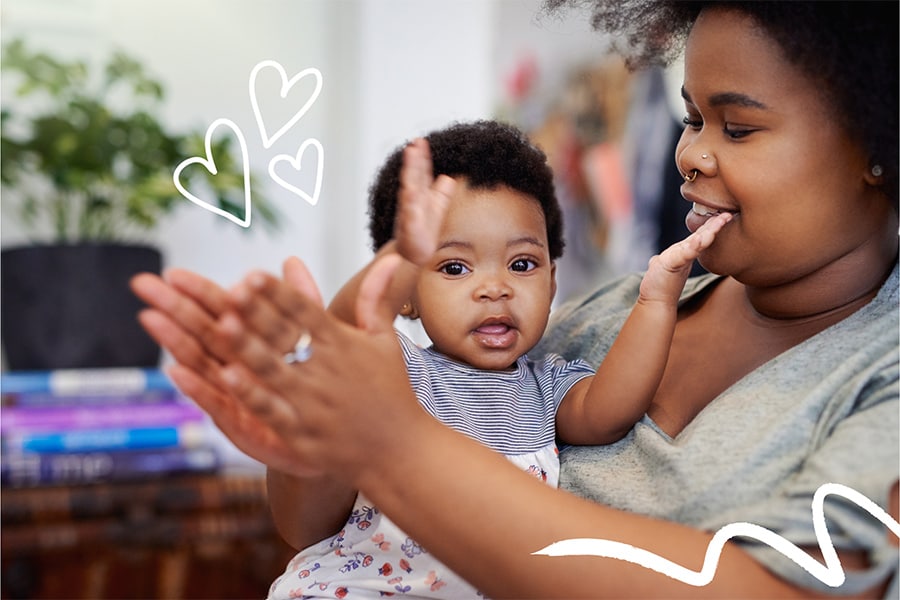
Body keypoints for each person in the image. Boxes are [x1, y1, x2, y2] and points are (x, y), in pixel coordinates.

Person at [130, 1, 899, 598]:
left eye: (738, 127)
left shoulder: (882, 372)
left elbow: (777, 587)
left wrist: (393, 445)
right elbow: (309, 525)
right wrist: (318, 426)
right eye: (694, 118)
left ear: (875, 142)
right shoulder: (603, 316)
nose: (690, 153)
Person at [258, 119, 730, 598]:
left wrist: (656, 302)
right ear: (407, 295)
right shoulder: (401, 369)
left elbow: (611, 411)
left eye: (521, 264)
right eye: (454, 267)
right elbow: (353, 330)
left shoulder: (546, 387)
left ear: (551, 283)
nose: (494, 288)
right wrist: (401, 255)